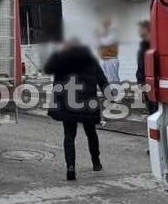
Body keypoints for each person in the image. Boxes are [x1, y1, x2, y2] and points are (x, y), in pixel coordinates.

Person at [43, 40, 107, 181]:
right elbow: (102, 80)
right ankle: (96, 162)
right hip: (88, 104)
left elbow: (57, 85)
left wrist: (57, 103)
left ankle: (70, 167)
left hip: (69, 104)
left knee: (69, 135)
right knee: (91, 133)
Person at [136, 19, 156, 114]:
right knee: (150, 109)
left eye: (140, 28)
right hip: (144, 82)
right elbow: (141, 65)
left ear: (146, 29)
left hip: (152, 83)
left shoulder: (155, 45)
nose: (138, 31)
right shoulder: (143, 45)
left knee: (155, 109)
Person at [97, 16, 120, 83]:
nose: (104, 26)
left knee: (113, 80)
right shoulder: (104, 33)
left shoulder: (114, 33)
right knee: (105, 80)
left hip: (111, 59)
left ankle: (115, 92)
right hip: (104, 59)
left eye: (106, 24)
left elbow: (105, 42)